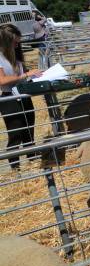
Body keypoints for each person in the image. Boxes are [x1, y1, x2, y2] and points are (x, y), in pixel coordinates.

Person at [0, 25, 42, 171]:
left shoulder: (16, 56)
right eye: (15, 42)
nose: (18, 45)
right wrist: (25, 75)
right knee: (15, 134)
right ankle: (15, 168)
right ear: (6, 41)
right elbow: (2, 80)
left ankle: (33, 161)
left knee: (29, 131)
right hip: (9, 99)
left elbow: (20, 76)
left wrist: (34, 76)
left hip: (23, 95)